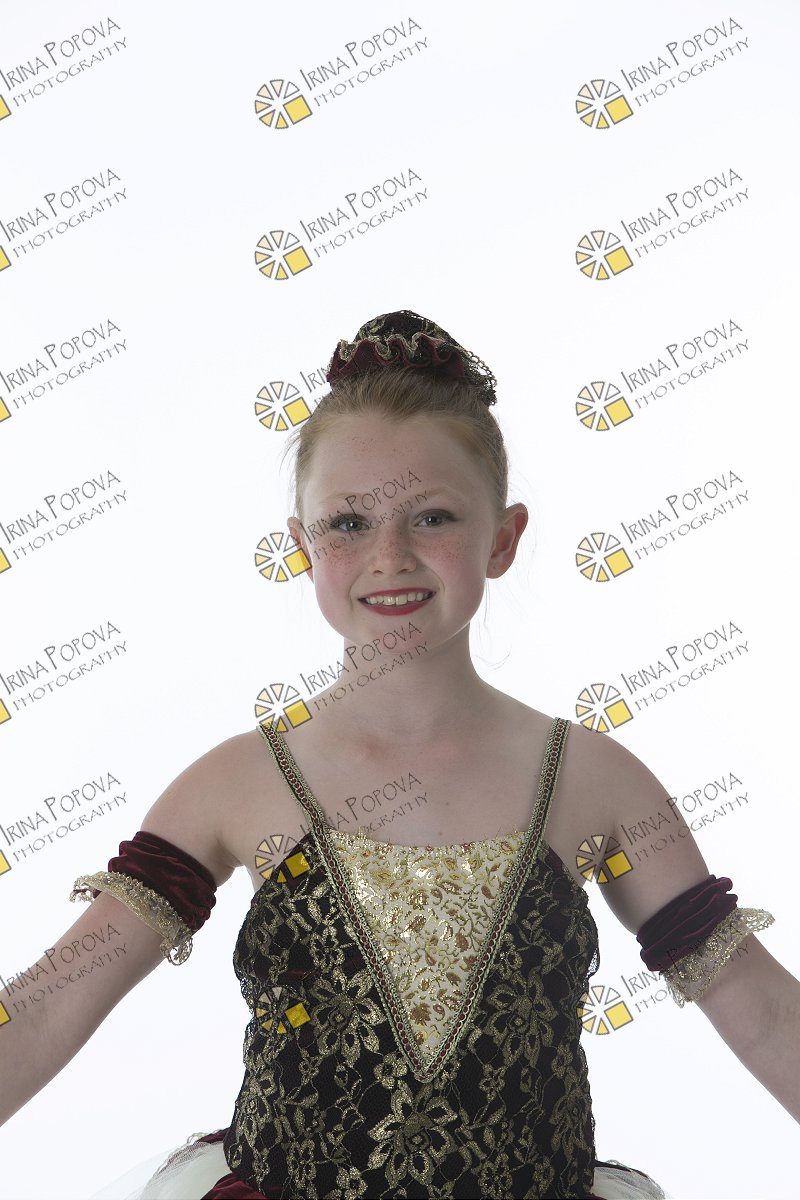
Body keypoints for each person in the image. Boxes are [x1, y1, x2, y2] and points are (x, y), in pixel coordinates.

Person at [3, 311, 797, 1200]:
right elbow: (50, 1004)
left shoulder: (594, 782)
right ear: (303, 546)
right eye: (348, 522)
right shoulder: (235, 785)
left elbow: (762, 1010)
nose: (390, 556)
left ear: (503, 539)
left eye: (433, 518)